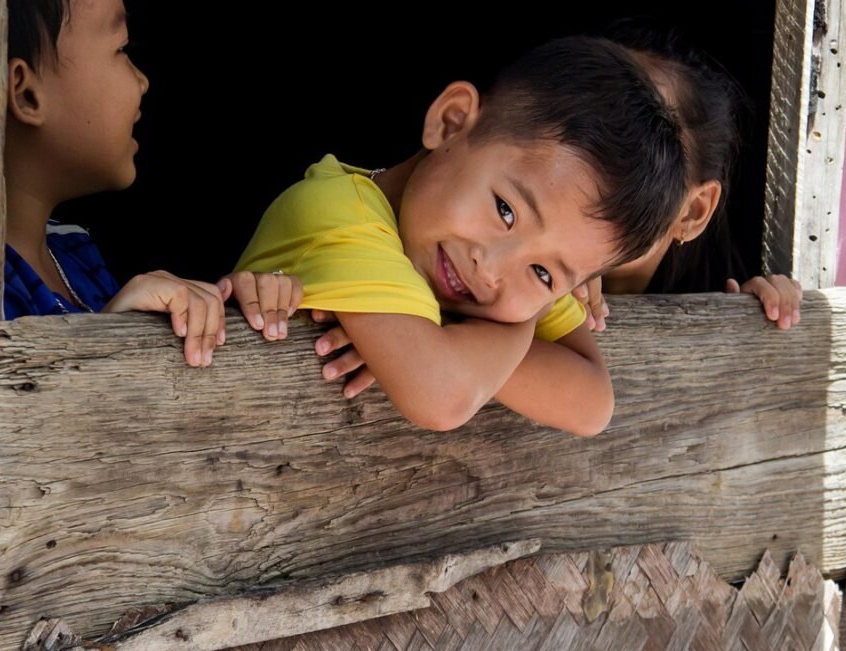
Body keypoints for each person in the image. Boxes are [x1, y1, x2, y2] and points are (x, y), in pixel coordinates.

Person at [231, 37, 688, 435]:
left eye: (544, 273)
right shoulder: (336, 213)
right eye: (505, 210)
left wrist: (468, 335)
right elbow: (441, 395)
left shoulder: (487, 271)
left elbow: (592, 405)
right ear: (450, 121)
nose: (491, 270)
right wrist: (526, 316)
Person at [2, 0, 300, 367]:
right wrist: (110, 337)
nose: (143, 81)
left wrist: (233, 314)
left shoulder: (72, 248)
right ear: (26, 93)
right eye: (121, 49)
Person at [574, 25, 803, 333]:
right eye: (579, 121)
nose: (587, 156)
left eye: (640, 139)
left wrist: (760, 315)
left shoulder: (713, 287)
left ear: (693, 211)